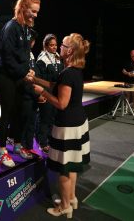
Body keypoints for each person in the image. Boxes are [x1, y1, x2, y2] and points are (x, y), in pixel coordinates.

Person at [32, 33, 90, 218]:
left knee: (64, 169)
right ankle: (71, 198)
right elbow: (54, 84)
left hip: (67, 126)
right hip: (78, 122)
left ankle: (64, 207)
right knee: (72, 165)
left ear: (70, 51)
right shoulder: (73, 70)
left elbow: (61, 103)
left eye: (63, 46)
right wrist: (35, 79)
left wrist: (42, 92)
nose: (60, 48)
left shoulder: (67, 73)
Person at [0, 0, 40, 167]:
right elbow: (7, 58)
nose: (36, 15)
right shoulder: (11, 27)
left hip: (20, 76)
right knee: (6, 113)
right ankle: (1, 151)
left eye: (37, 12)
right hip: (6, 76)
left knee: (20, 111)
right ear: (23, 8)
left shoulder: (27, 28)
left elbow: (23, 56)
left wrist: (28, 71)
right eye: (33, 11)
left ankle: (17, 144)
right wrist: (25, 73)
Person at [36, 34, 64, 154]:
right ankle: (42, 143)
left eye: (55, 45)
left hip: (56, 92)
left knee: (53, 117)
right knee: (45, 118)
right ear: (45, 46)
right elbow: (38, 78)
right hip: (46, 92)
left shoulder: (57, 57)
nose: (54, 47)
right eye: (51, 45)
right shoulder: (42, 59)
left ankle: (50, 139)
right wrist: (41, 94)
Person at [122, 49, 134, 115]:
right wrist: (127, 73)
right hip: (127, 81)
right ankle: (126, 109)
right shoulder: (127, 61)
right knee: (127, 95)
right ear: (130, 55)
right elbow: (123, 70)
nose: (133, 56)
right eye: (132, 55)